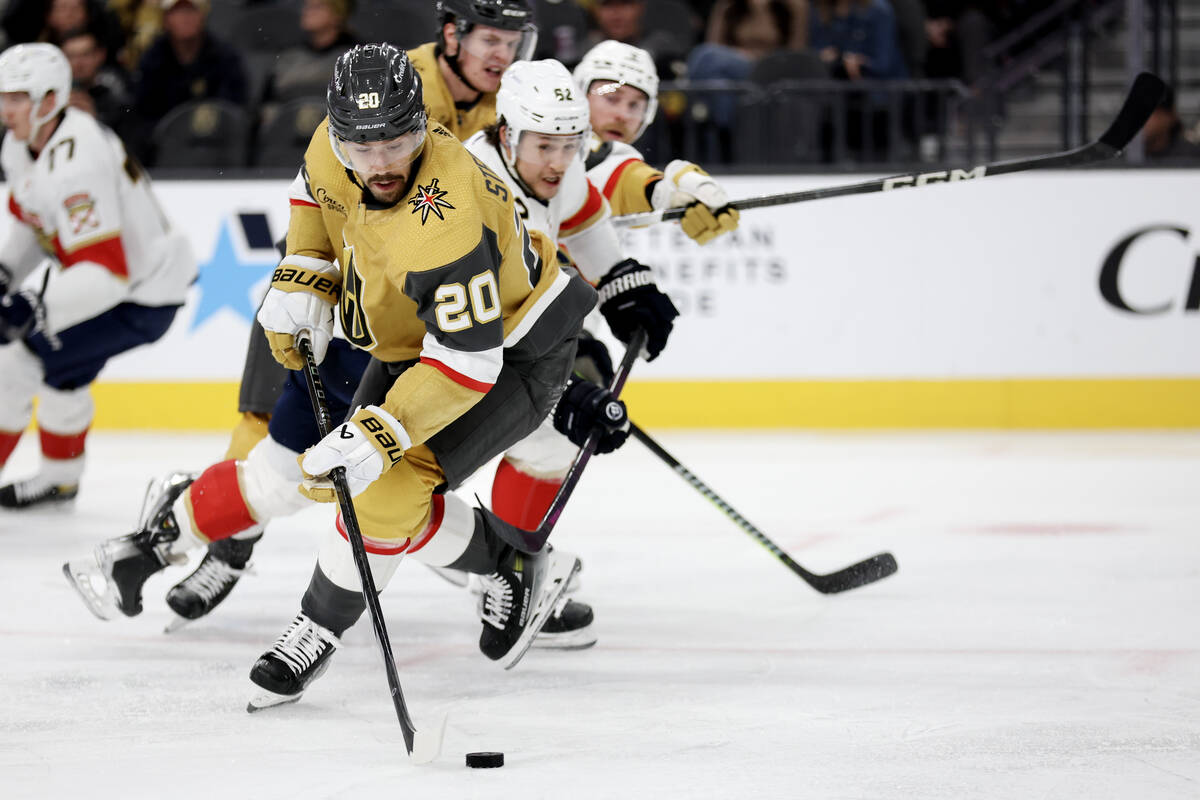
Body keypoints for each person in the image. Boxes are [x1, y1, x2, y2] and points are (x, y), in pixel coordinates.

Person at [63, 43, 644, 709]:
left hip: (515, 350)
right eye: (360, 144)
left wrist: (382, 428)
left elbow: (468, 360)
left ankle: (324, 625)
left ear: (422, 125)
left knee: (385, 487)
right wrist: (303, 272)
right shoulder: (332, 142)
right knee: (351, 486)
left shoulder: (446, 218)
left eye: (396, 139)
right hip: (411, 339)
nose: (378, 162)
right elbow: (312, 196)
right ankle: (509, 563)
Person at [463, 57, 680, 648]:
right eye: (544, 146)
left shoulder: (562, 172)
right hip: (418, 354)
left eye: (571, 144)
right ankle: (500, 566)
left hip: (478, 346)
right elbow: (482, 327)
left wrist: (629, 289)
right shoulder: (473, 194)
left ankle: (510, 565)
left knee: (552, 439)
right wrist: (559, 396)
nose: (560, 162)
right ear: (507, 134)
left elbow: (593, 241)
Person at [0, 42, 194, 508]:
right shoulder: (22, 145)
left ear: (50, 100)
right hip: (127, 284)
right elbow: (34, 220)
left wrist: (26, 306)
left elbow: (107, 273)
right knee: (63, 367)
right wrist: (6, 273)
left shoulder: (76, 162)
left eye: (16, 98)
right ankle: (60, 479)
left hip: (143, 296)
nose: (6, 109)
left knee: (17, 363)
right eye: (2, 97)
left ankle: (59, 477)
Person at [576, 40, 740, 242]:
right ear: (579, 93)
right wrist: (667, 190)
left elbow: (620, 176)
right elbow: (612, 171)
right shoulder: (551, 146)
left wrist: (674, 187)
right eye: (611, 98)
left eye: (635, 105)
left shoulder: (613, 165)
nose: (623, 115)